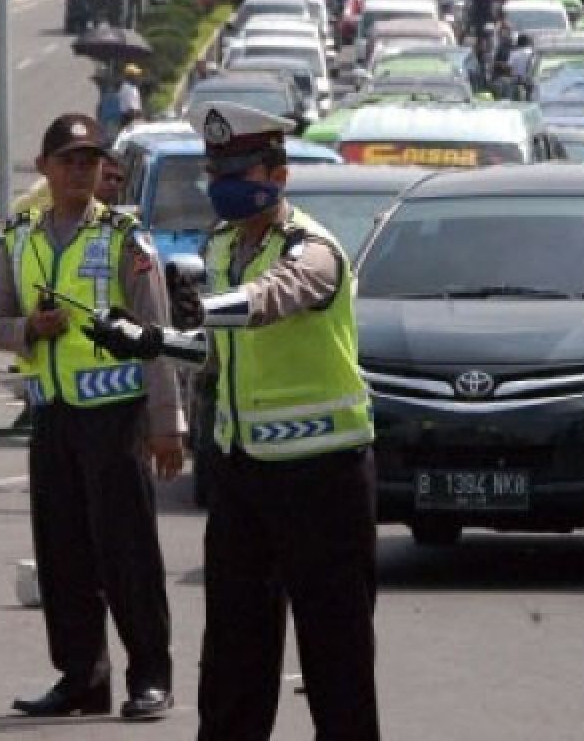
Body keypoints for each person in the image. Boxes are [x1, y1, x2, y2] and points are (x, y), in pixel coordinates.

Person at [85, 101, 380, 740]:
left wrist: (210, 306)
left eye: (239, 168)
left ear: (278, 174)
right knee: (232, 661)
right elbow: (214, 349)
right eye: (216, 168)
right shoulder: (220, 245)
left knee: (337, 661)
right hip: (243, 478)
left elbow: (274, 299)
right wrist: (148, 339)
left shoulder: (313, 249)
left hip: (322, 478)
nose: (223, 181)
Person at [0, 115, 184, 719]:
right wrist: (28, 329)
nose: (80, 170)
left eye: (89, 160)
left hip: (114, 418)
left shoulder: (124, 239)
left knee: (127, 554)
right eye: (68, 160)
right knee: (62, 555)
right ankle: (81, 677)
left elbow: (157, 336)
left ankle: (150, 675)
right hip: (52, 418)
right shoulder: (19, 238)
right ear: (44, 168)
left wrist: (165, 420)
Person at [118, 64, 144, 129]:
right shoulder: (127, 88)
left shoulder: (133, 88)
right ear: (130, 76)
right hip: (128, 119)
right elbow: (131, 110)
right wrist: (138, 121)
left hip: (133, 118)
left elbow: (137, 108)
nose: (139, 77)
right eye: (137, 75)